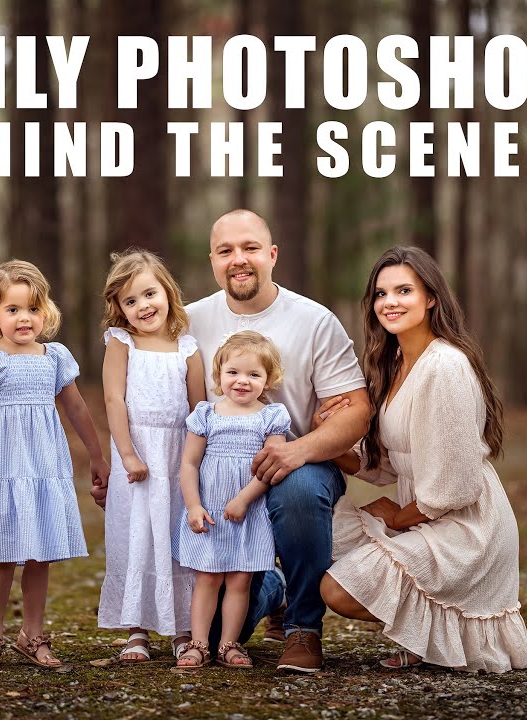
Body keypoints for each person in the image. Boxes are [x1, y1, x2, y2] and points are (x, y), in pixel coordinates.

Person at [317, 246, 527, 673]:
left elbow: (456, 485)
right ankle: (425, 638)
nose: (390, 302)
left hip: (465, 527)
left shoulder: (445, 367)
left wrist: (397, 518)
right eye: (381, 294)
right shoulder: (395, 361)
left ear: (431, 297)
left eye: (404, 290)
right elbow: (385, 465)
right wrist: (327, 437)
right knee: (325, 541)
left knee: (338, 591)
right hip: (423, 513)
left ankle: (431, 638)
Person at [185, 209, 372, 673]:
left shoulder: (314, 321)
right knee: (208, 636)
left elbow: (358, 409)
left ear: (271, 255)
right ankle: (274, 585)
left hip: (300, 467)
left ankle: (303, 627)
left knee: (300, 487)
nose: (238, 259)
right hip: (218, 478)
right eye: (226, 250)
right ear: (212, 259)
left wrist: (298, 450)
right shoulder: (188, 321)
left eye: (249, 248)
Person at [0, 259, 108, 670]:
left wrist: (96, 453)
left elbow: (76, 408)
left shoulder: (54, 357)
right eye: (13, 309)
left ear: (45, 311)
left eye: (33, 309)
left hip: (43, 469)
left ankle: (32, 635)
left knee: (39, 555)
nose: (24, 318)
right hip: (1, 469)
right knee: (1, 556)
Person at [96, 249, 204, 664]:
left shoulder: (187, 348)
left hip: (178, 455)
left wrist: (194, 464)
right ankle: (136, 629)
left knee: (176, 538)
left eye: (149, 294)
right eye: (130, 301)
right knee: (135, 535)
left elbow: (198, 411)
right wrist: (127, 453)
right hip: (137, 454)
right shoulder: (122, 343)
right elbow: (113, 398)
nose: (143, 306)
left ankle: (181, 628)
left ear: (167, 293)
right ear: (119, 309)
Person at [174, 332, 292, 669]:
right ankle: (197, 644)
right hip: (209, 513)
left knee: (240, 581)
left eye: (254, 375)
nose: (242, 381)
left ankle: (229, 644)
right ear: (219, 375)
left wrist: (244, 499)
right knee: (207, 579)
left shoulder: (271, 417)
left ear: (268, 380)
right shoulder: (206, 414)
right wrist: (194, 506)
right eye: (234, 372)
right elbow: (189, 464)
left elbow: (271, 467)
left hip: (249, 512)